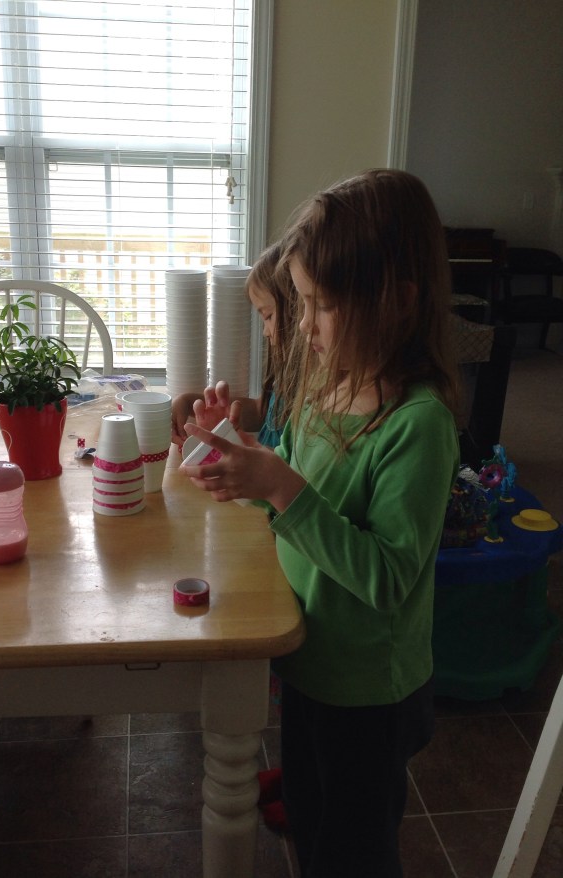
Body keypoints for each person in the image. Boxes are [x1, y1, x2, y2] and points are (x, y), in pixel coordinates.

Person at [181, 169, 461, 877]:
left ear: (399, 300)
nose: (303, 324)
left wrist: (279, 485)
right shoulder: (327, 389)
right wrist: (242, 463)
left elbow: (388, 576)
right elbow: (299, 503)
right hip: (309, 659)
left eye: (322, 305)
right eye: (301, 302)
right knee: (308, 817)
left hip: (370, 693)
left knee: (354, 852)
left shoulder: (418, 425)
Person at [171, 241, 301, 451]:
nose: (265, 331)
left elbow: (286, 465)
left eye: (268, 316)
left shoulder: (314, 397)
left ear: (298, 312)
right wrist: (189, 402)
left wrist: (242, 450)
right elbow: (263, 412)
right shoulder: (290, 373)